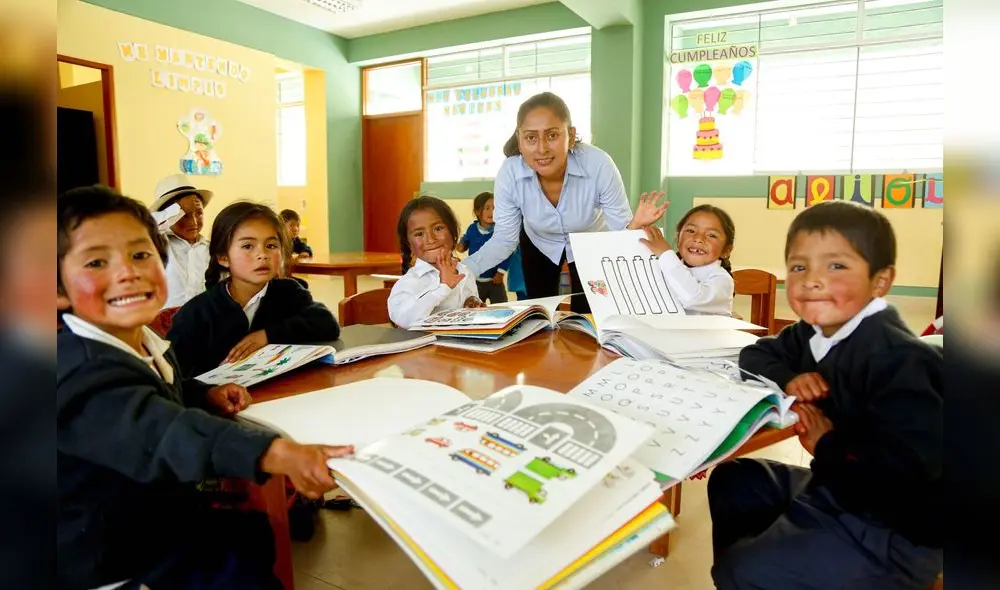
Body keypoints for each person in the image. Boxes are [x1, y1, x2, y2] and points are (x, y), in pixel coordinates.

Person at [56, 186, 353, 589]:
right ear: (56, 289)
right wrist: (277, 451)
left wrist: (202, 393)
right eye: (96, 261)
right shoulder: (77, 370)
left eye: (140, 254)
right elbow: (163, 429)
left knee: (249, 539)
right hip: (109, 557)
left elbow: (163, 393)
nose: (127, 271)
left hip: (157, 515)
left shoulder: (144, 339)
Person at [709, 201, 942, 589]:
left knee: (740, 571)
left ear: (880, 281)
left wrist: (827, 443)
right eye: (800, 266)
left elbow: (909, 479)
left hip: (893, 533)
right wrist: (789, 377)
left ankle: (755, 572)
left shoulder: (901, 360)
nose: (812, 280)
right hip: (836, 489)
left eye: (836, 266)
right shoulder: (813, 334)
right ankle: (773, 568)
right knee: (735, 480)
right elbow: (756, 353)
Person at [463, 91, 667, 313]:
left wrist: (636, 226)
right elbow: (503, 239)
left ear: (570, 134)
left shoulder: (598, 164)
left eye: (552, 135)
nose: (542, 149)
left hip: (591, 241)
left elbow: (620, 231)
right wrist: (462, 270)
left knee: (591, 310)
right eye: (531, 137)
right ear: (520, 141)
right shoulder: (510, 172)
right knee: (540, 312)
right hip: (538, 242)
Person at [167, 201, 340, 379]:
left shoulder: (288, 291)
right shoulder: (196, 313)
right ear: (223, 257)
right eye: (248, 246)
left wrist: (267, 335)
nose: (262, 255)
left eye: (271, 246)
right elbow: (173, 377)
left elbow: (327, 324)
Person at [388, 196, 483, 329]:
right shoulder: (408, 283)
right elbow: (404, 320)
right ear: (409, 244)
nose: (430, 239)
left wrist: (473, 303)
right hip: (427, 349)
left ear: (453, 234)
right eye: (419, 234)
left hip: (462, 346)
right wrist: (443, 288)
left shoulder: (465, 273)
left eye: (438, 229)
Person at [639, 204, 736, 316]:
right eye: (691, 231)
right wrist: (639, 225)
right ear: (678, 239)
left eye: (711, 235)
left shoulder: (722, 280)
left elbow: (692, 297)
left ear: (726, 251)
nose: (698, 239)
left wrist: (666, 254)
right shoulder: (666, 265)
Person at [149, 173, 212, 309]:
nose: (194, 221)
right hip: (163, 324)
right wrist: (177, 209)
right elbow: (141, 224)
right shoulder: (158, 243)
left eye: (199, 213)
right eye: (185, 215)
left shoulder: (211, 249)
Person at [457, 192, 513, 304]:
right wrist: (461, 245)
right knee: (475, 308)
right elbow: (465, 242)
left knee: (501, 307)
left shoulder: (500, 231)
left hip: (495, 281)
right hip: (475, 281)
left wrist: (500, 273)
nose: (492, 212)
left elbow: (507, 253)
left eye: (494, 208)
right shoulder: (472, 228)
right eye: (487, 208)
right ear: (478, 211)